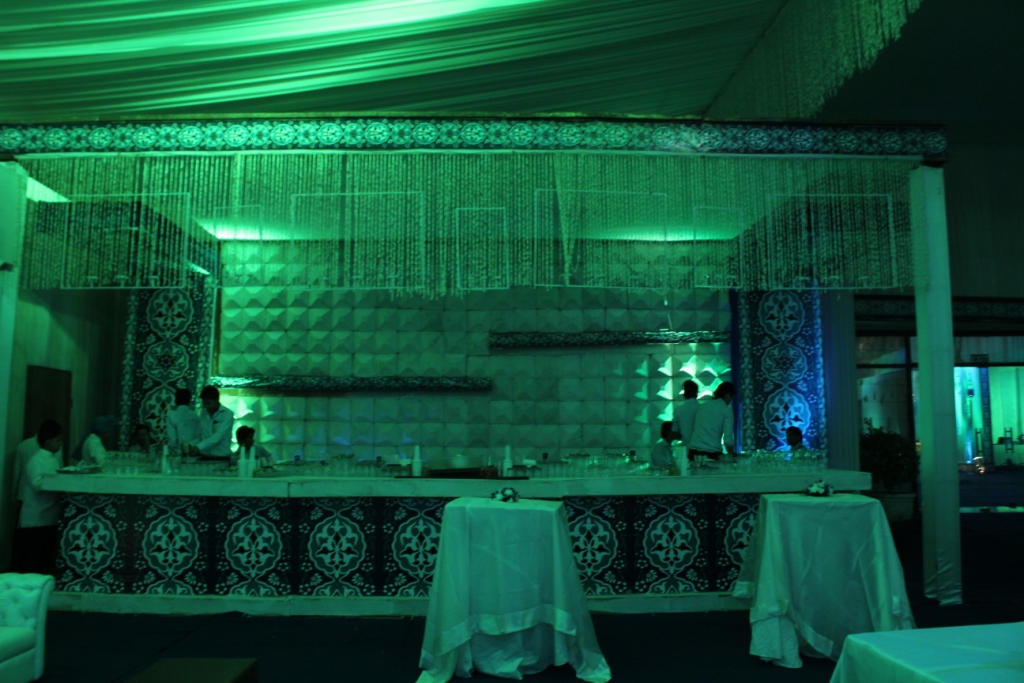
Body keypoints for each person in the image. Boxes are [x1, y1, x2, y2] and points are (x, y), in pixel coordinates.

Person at [13, 419, 64, 575]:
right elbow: (37, 484)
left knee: (44, 557)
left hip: (48, 515)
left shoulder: (52, 458)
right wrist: (59, 480)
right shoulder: (37, 460)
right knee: (32, 559)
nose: (60, 443)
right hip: (35, 517)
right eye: (58, 440)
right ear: (48, 441)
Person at [688, 382, 736, 465]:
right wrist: (731, 455)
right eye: (731, 398)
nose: (730, 401)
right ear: (727, 395)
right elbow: (728, 440)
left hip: (693, 453)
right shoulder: (726, 411)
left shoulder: (702, 407)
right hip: (712, 454)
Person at [191, 385, 234, 458]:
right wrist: (191, 445)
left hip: (221, 458)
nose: (206, 406)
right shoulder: (203, 413)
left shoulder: (227, 414)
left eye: (209, 403)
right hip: (204, 457)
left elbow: (218, 436)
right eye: (204, 403)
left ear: (217, 400)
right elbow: (201, 437)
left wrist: (198, 447)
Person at [167, 387, 201, 454]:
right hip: (194, 453)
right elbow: (199, 437)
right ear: (189, 401)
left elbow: (172, 440)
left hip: (178, 454)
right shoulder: (196, 416)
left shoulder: (172, 416)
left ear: (175, 400)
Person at [671, 380, 700, 445]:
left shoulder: (678, 410)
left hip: (686, 447)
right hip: (703, 447)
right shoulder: (703, 409)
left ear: (684, 394)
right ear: (696, 393)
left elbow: (675, 433)